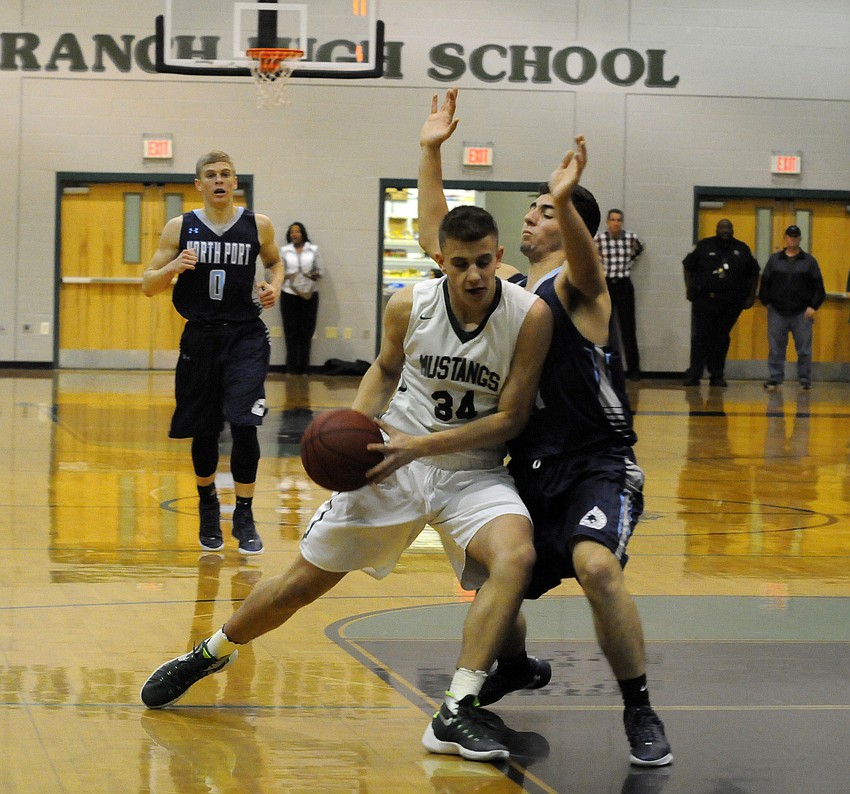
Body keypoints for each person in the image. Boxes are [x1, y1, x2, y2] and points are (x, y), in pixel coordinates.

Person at [141, 203, 554, 764]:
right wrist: (356, 443)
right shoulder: (410, 303)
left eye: (485, 261)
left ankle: (456, 708)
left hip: (473, 470)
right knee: (302, 583)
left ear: (499, 256)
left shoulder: (528, 315)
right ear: (440, 261)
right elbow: (384, 369)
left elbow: (512, 418)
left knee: (514, 558)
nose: (475, 275)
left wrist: (422, 445)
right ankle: (213, 651)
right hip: (391, 461)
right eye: (461, 264)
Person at [418, 88, 673, 767]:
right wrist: (431, 152)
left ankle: (639, 707)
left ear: (569, 225)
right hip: (529, 464)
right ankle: (520, 663)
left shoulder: (577, 288)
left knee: (597, 566)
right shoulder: (506, 289)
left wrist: (565, 196)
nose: (529, 218)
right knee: (488, 572)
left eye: (541, 211)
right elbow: (437, 233)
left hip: (598, 461)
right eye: (532, 208)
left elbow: (589, 268)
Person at [142, 151, 284, 556]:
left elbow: (275, 264)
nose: (219, 180)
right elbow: (148, 284)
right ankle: (208, 504)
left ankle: (244, 511)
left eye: (226, 174)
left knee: (244, 423)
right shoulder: (179, 228)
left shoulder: (259, 225)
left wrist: (273, 284)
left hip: (246, 337)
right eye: (211, 175)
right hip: (200, 337)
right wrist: (173, 269)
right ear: (199, 185)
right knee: (204, 428)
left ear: (235, 183)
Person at [682, 219, 760, 387]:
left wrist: (751, 296)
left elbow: (754, 273)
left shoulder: (742, 249)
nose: (725, 230)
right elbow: (687, 266)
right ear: (717, 229)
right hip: (705, 301)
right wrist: (689, 289)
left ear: (732, 230)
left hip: (730, 303)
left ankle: (717, 375)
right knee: (702, 338)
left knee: (721, 338)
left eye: (728, 228)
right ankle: (694, 374)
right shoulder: (704, 246)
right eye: (722, 227)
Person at [759, 225, 825, 391]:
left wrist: (813, 306)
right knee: (775, 348)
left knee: (804, 350)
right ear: (785, 238)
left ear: (800, 239)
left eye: (795, 237)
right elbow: (765, 283)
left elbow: (819, 288)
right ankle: (775, 378)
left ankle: (804, 380)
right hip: (777, 312)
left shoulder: (809, 261)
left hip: (802, 313)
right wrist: (767, 302)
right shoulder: (774, 260)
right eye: (789, 236)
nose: (792, 239)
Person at [594, 209, 645, 380]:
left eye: (619, 220)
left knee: (628, 328)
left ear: (622, 222)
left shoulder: (631, 238)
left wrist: (629, 262)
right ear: (608, 222)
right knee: (605, 329)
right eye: (613, 220)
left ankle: (634, 370)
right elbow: (592, 257)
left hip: (624, 284)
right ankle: (605, 368)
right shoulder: (599, 239)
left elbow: (639, 249)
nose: (616, 223)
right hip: (606, 285)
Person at [280, 222, 322, 374]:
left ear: (303, 233)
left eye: (297, 231)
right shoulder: (284, 251)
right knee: (290, 332)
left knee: (306, 332)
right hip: (289, 295)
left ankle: (304, 367)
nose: (294, 234)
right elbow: (277, 272)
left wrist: (308, 274)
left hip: (309, 295)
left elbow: (320, 271)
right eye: (292, 232)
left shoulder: (313, 250)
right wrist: (288, 275)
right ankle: (291, 368)